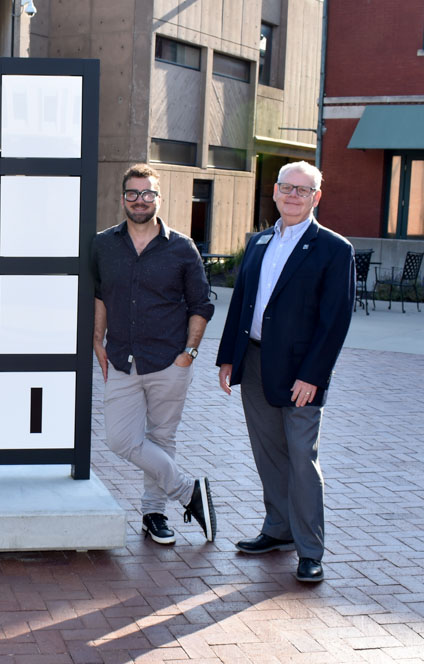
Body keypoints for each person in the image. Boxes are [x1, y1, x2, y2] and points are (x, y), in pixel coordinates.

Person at [216, 161, 353, 583]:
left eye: (303, 189)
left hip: (300, 373)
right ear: (274, 192)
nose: (293, 195)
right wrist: (228, 357)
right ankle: (278, 530)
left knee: (301, 459)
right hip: (254, 363)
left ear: (316, 197)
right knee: (268, 453)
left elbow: (335, 321)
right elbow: (241, 304)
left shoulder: (333, 248)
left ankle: (310, 551)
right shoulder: (258, 243)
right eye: (286, 187)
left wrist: (313, 376)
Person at [91, 163, 216, 545]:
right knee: (121, 440)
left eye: (148, 193)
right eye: (133, 193)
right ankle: (189, 491)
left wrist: (189, 353)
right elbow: (99, 296)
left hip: (169, 360)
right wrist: (97, 340)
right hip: (122, 359)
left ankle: (154, 515)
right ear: (123, 198)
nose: (140, 200)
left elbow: (201, 303)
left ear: (158, 198)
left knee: (162, 439)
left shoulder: (181, 247)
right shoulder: (102, 245)